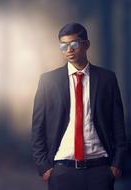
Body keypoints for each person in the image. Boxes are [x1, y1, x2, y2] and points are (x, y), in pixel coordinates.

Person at [32, 22, 127, 190]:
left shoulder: (107, 79)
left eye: (74, 44)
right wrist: (44, 167)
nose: (69, 49)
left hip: (100, 170)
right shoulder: (48, 81)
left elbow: (118, 124)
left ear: (86, 44)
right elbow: (38, 128)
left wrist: (117, 164)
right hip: (61, 171)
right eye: (64, 46)